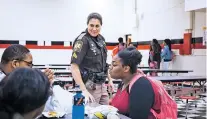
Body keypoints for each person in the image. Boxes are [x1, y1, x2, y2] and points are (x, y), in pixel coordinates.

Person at [109, 46, 177, 119]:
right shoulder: (123, 83)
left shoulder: (141, 87)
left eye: (114, 65)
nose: (110, 67)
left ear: (126, 68)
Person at [70, 13, 113, 104]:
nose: (94, 29)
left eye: (97, 26)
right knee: (90, 114)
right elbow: (74, 67)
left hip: (102, 85)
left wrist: (110, 80)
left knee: (104, 113)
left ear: (101, 26)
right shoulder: (82, 40)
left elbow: (104, 63)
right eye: (91, 25)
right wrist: (84, 90)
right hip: (89, 86)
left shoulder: (101, 39)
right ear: (87, 24)